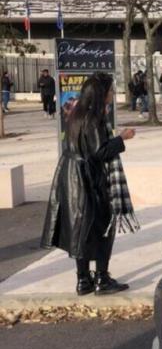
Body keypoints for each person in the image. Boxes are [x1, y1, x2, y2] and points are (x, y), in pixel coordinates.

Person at [40, 73, 139, 296]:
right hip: (87, 178)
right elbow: (99, 152)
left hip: (70, 176)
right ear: (101, 94)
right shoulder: (94, 119)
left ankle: (83, 280)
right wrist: (122, 138)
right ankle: (102, 279)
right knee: (104, 225)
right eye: (111, 91)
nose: (113, 94)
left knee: (80, 228)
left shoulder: (75, 114)